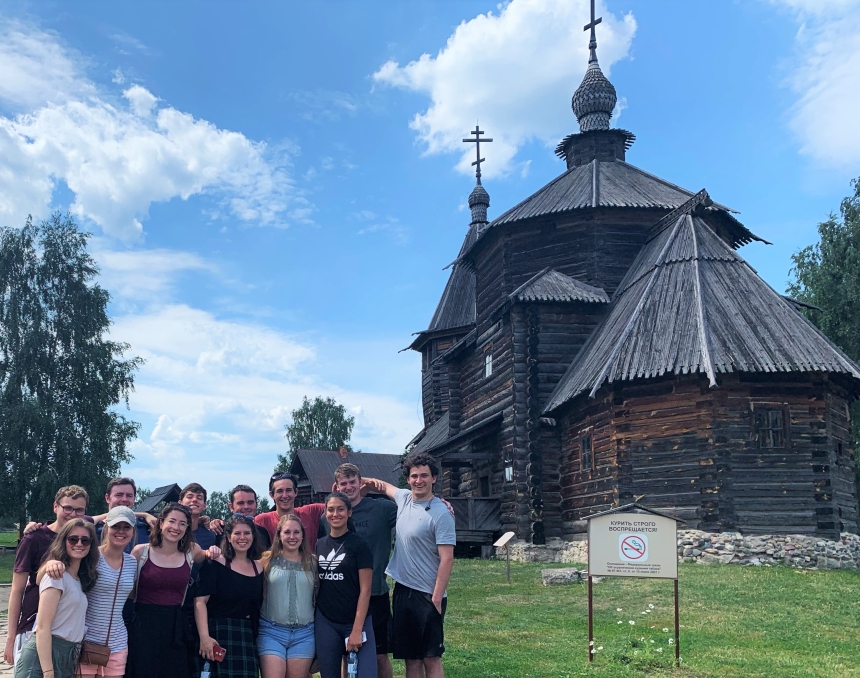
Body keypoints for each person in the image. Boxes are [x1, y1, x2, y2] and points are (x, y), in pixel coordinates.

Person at [367, 454, 456, 678]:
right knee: (411, 657)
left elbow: (447, 558)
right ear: (407, 479)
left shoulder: (441, 513)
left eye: (424, 475)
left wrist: (436, 598)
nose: (419, 480)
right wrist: (358, 482)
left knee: (430, 657)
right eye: (414, 476)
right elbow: (382, 485)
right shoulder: (404, 498)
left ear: (434, 478)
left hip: (428, 594)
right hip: (402, 590)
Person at [126, 503, 221, 678]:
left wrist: (215, 550)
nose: (176, 527)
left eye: (182, 523)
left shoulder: (192, 551)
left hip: (176, 628)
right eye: (172, 521)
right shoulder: (140, 552)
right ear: (161, 523)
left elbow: (211, 556)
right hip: (142, 627)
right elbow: (127, 591)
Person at [4, 485, 90, 666]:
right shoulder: (35, 539)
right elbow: (17, 590)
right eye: (67, 508)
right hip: (33, 626)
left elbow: (108, 517)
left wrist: (145, 516)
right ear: (55, 507)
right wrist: (11, 638)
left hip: (65, 632)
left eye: (79, 510)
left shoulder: (83, 537)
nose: (73, 514)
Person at [326, 464, 397, 678]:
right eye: (343, 483)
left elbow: (411, 504)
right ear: (336, 487)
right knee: (346, 654)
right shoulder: (330, 515)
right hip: (344, 595)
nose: (348, 487)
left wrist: (439, 503)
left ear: (360, 482)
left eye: (353, 482)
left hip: (375, 592)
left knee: (379, 654)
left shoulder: (382, 508)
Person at [13, 519, 99, 678]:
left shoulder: (79, 579)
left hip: (67, 655)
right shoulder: (56, 575)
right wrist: (48, 672)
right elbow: (42, 627)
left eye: (85, 540)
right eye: (73, 539)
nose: (79, 543)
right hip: (44, 656)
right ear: (63, 541)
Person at [194, 515, 264, 678]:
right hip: (216, 634)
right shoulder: (215, 562)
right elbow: (200, 602)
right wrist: (204, 637)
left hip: (246, 636)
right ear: (228, 537)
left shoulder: (259, 568)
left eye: (247, 533)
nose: (242, 538)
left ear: (253, 536)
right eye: (237, 533)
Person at [314, 493, 376, 678]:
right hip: (326, 620)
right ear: (325, 513)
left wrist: (357, 630)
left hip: (357, 621)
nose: (335, 514)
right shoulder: (319, 545)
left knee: (365, 674)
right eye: (330, 509)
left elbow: (366, 590)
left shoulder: (359, 544)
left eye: (340, 509)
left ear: (349, 512)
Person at [257, 514, 317, 678]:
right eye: (287, 532)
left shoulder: (313, 562)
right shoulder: (266, 561)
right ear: (279, 535)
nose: (292, 537)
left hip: (304, 633)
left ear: (303, 535)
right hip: (271, 630)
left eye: (296, 532)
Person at [255, 473, 326, 554]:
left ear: (296, 492)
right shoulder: (262, 520)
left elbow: (337, 506)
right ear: (272, 495)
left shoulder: (311, 512)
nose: (285, 495)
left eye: (288, 490)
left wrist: (337, 492)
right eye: (280, 491)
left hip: (309, 565)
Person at [213, 485, 272, 551]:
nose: (246, 507)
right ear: (231, 507)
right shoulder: (219, 531)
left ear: (256, 505)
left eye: (250, 502)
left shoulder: (263, 533)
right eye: (241, 503)